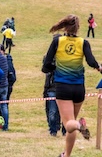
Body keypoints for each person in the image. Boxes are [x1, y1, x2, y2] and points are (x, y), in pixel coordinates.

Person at [42, 14, 100, 157]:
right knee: (71, 125)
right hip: (79, 88)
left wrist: (56, 69)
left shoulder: (57, 41)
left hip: (63, 87)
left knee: (69, 123)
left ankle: (81, 126)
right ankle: (66, 155)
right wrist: (99, 67)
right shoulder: (83, 42)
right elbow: (92, 62)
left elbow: (46, 65)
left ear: (65, 26)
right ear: (78, 28)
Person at [42, 54, 66, 137]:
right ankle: (53, 130)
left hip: (63, 89)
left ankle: (64, 130)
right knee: (52, 111)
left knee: (64, 112)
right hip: (52, 89)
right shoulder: (49, 63)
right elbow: (47, 77)